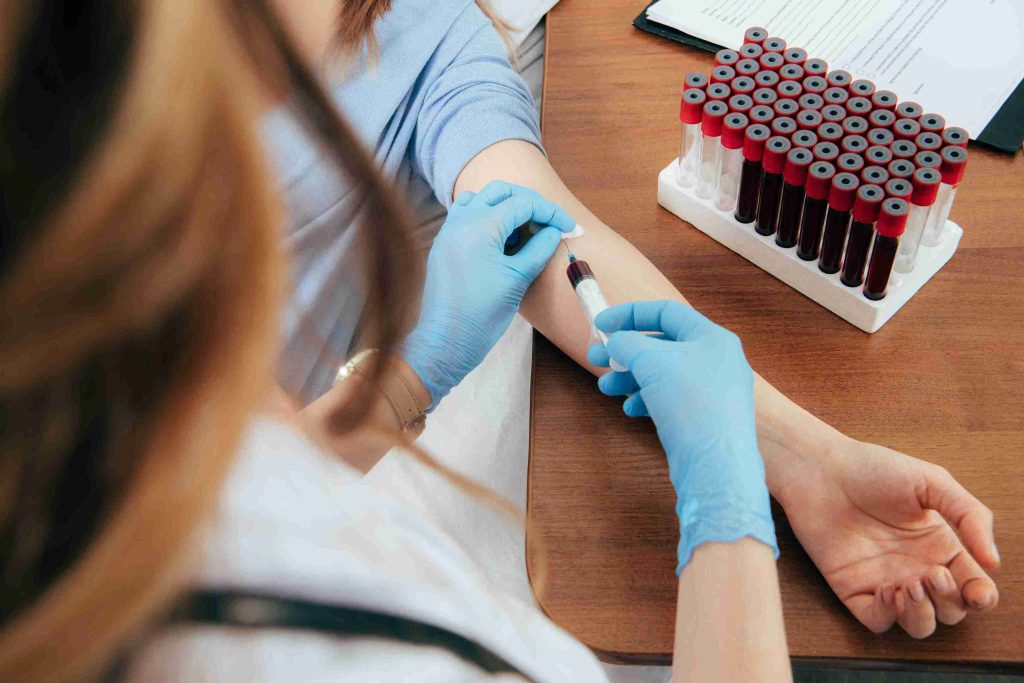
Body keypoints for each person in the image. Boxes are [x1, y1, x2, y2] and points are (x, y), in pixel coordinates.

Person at [0, 3, 789, 681]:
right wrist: (730, 512)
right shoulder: (354, 633)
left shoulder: (98, 447)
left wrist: (409, 380)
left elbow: (241, 476)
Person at [271, 0, 1000, 642]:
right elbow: (234, 514)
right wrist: (404, 382)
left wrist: (811, 460)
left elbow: (554, 238)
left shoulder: (426, 35)